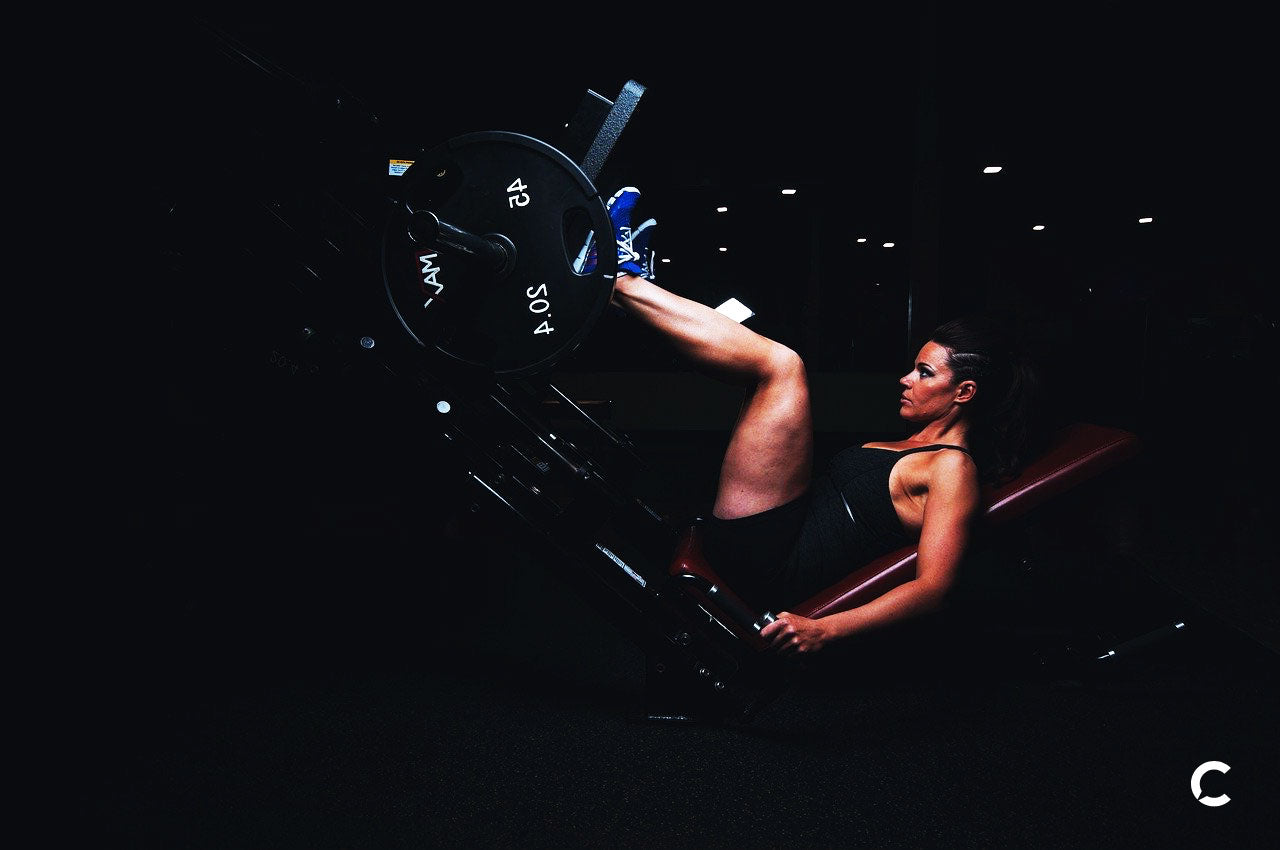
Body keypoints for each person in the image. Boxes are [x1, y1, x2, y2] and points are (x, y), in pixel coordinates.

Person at [590, 187, 1043, 658]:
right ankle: (623, 293)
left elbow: (933, 589)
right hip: (772, 537)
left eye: (924, 373)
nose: (905, 379)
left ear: (964, 393)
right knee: (762, 373)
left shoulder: (952, 469)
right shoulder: (916, 446)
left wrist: (824, 630)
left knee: (781, 367)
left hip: (772, 565)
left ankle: (619, 279)